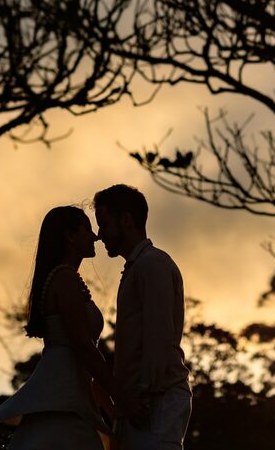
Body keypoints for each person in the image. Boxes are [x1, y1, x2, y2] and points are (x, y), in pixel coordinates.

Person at [0, 205, 118, 450]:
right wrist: (119, 394)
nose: (95, 237)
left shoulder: (64, 278)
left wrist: (107, 402)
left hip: (67, 388)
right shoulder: (64, 278)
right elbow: (83, 346)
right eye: (87, 229)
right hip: (62, 392)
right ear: (70, 236)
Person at [93, 184, 192, 450]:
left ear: (126, 221)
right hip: (141, 405)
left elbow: (158, 335)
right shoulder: (139, 267)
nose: (99, 235)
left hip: (154, 403)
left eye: (104, 224)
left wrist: (143, 397)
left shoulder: (152, 264)